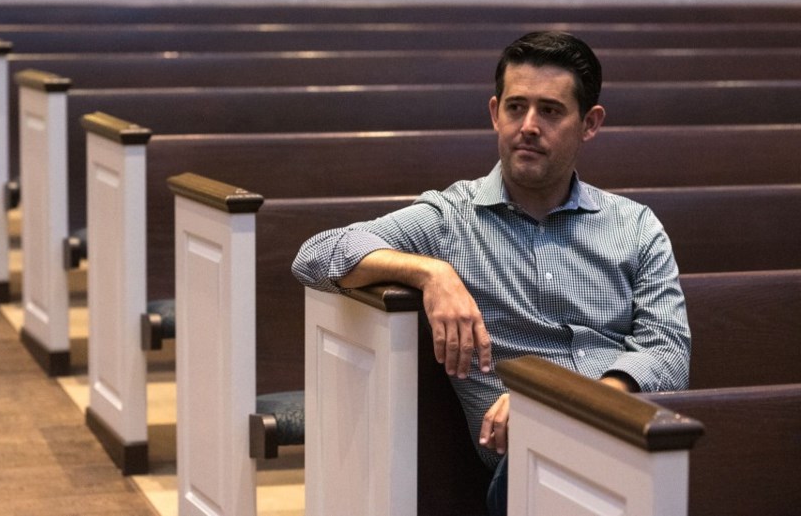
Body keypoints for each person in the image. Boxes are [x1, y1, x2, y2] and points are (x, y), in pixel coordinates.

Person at [291, 31, 691, 516]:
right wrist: (431, 273)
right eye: (516, 107)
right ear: (494, 113)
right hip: (520, 458)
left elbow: (669, 351)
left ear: (589, 124)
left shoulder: (635, 227)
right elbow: (316, 254)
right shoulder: (450, 221)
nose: (528, 126)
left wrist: (563, 403)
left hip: (622, 428)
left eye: (550, 111)